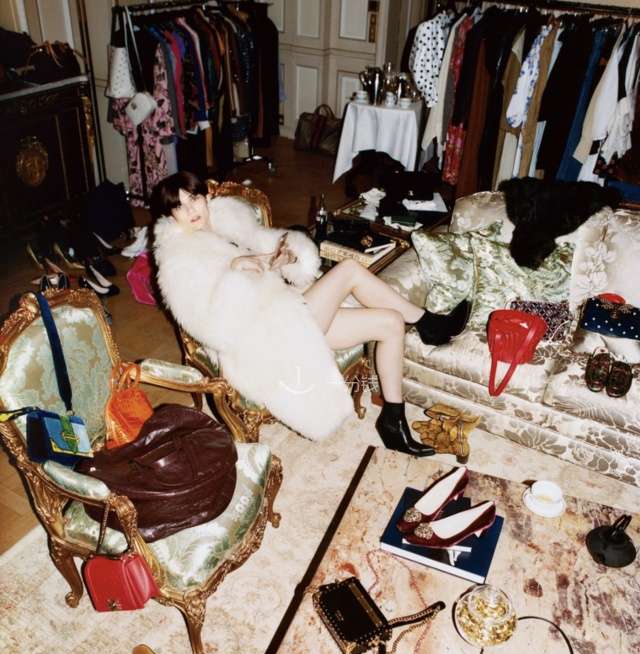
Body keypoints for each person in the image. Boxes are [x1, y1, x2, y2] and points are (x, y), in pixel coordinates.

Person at [151, 171, 469, 455]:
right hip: (261, 340)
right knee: (348, 270)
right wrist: (234, 274)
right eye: (179, 206)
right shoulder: (180, 261)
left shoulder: (229, 223)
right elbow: (216, 328)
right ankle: (428, 322)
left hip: (287, 311)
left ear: (206, 196)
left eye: (193, 198)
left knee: (391, 323)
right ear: (170, 216)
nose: (191, 210)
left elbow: (269, 254)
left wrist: (285, 259)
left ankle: (393, 421)